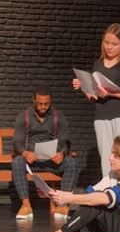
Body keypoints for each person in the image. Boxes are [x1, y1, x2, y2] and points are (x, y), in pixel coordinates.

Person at [72, 23, 120, 176]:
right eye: (106, 43)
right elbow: (94, 97)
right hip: (102, 117)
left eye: (114, 44)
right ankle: (110, 197)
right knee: (107, 161)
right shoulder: (98, 64)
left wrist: (112, 93)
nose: (109, 47)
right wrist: (83, 87)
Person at [13, 86, 78, 220]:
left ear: (51, 102)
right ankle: (25, 205)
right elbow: (17, 142)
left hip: (52, 161)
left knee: (71, 162)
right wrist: (24, 153)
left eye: (46, 104)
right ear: (34, 100)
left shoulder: (58, 116)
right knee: (17, 161)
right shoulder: (24, 116)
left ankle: (63, 204)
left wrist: (62, 153)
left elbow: (66, 141)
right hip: (32, 162)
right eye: (40, 103)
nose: (43, 106)